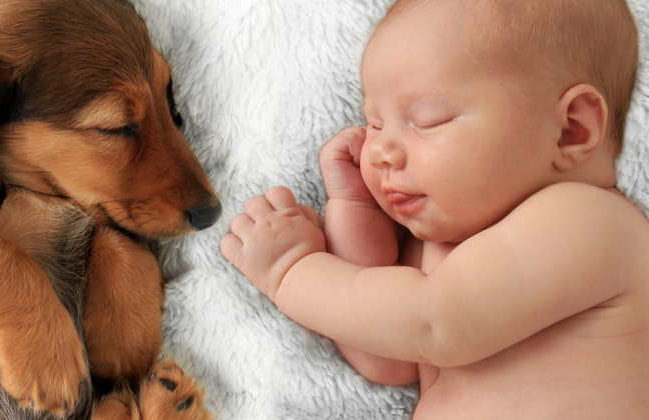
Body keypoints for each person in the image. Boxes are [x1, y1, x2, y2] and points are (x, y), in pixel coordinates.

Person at [220, 0, 649, 418]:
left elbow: (433, 325)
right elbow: (386, 353)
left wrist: (290, 271)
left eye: (427, 120)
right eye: (374, 124)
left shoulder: (591, 223)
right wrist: (353, 207)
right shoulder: (446, 251)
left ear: (571, 129)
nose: (381, 151)